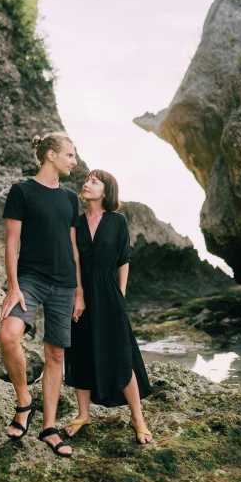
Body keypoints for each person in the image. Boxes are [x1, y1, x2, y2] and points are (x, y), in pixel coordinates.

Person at [0, 132, 85, 458]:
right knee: (8, 335)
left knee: (56, 356)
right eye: (70, 155)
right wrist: (13, 286)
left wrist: (79, 290)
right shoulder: (22, 191)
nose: (74, 161)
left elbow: (74, 247)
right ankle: (24, 403)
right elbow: (11, 242)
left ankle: (48, 428)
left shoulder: (69, 198)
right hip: (31, 280)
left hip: (64, 283)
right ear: (51, 155)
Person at [63, 169, 153, 444]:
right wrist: (78, 295)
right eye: (87, 180)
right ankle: (83, 413)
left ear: (106, 190)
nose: (86, 184)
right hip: (80, 291)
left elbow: (123, 259)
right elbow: (74, 260)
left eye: (94, 181)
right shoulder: (75, 222)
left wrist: (120, 294)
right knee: (80, 350)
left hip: (109, 291)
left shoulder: (118, 221)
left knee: (120, 352)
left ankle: (137, 417)